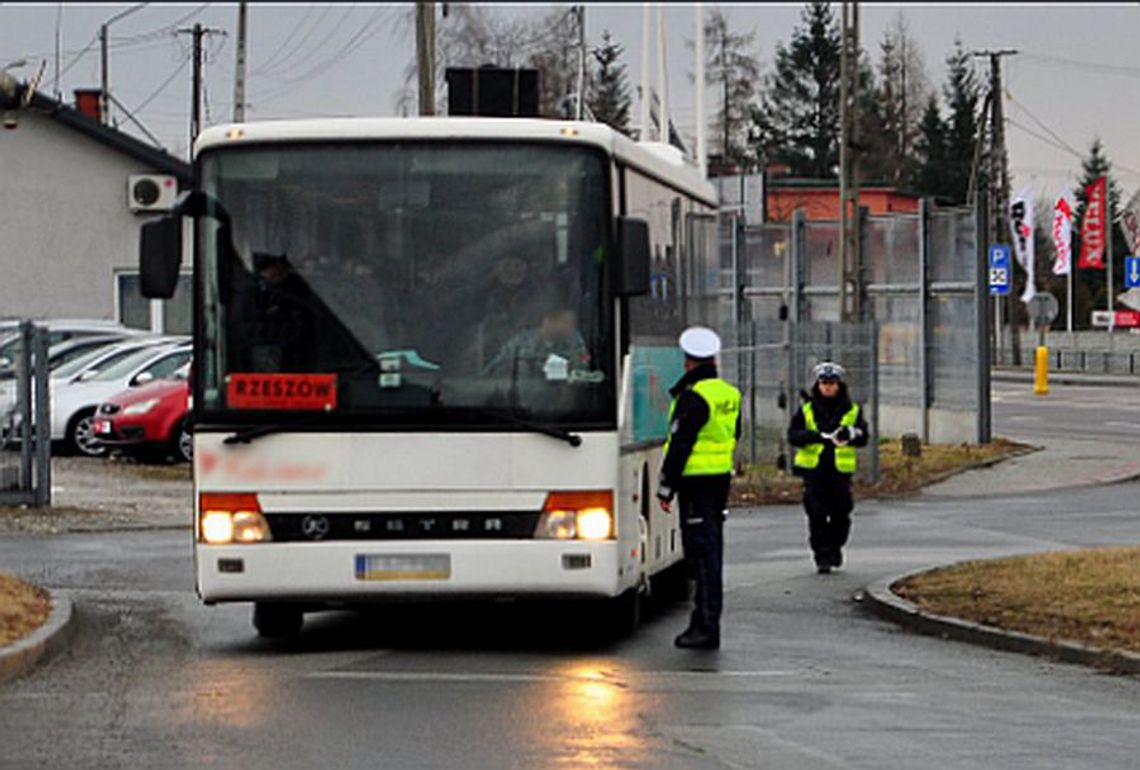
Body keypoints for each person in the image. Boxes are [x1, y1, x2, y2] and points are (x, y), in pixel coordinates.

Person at [656, 326, 742, 650]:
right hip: (719, 480)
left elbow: (680, 445)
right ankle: (702, 620)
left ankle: (706, 626)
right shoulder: (729, 394)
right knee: (711, 552)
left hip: (695, 484)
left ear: (688, 362)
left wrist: (666, 487)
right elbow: (736, 434)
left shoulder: (694, 397)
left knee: (702, 558)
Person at [786, 361, 870, 574]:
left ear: (840, 386)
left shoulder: (852, 410)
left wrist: (850, 434)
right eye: (824, 383)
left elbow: (863, 436)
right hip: (814, 471)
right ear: (818, 385)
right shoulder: (806, 410)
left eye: (832, 383)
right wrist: (814, 436)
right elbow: (793, 435)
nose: (828, 387)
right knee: (817, 514)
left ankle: (835, 546)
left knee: (841, 513)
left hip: (840, 472)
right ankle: (822, 555)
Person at [483, 302, 590, 379]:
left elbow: (584, 369)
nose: (571, 329)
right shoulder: (519, 343)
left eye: (573, 325)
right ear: (548, 321)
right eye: (567, 323)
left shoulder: (575, 342)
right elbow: (492, 371)